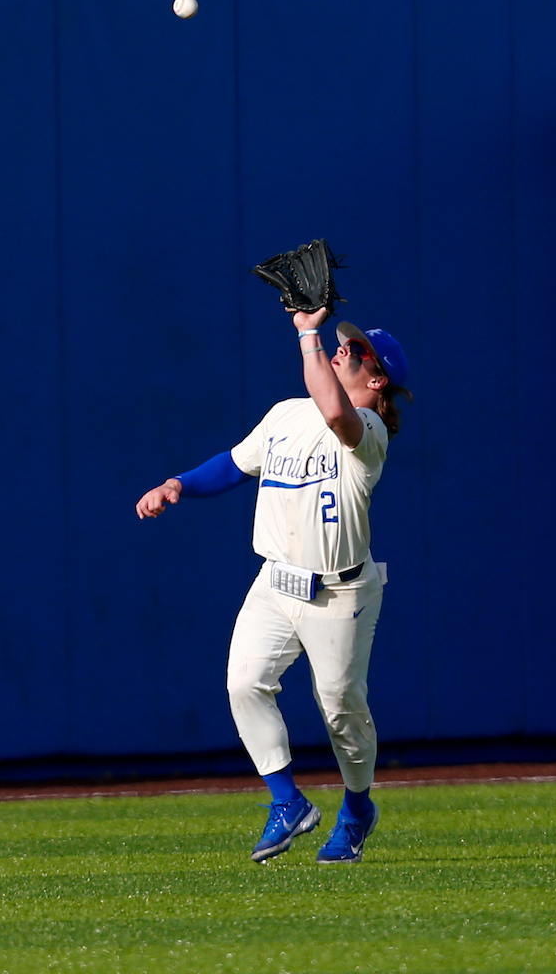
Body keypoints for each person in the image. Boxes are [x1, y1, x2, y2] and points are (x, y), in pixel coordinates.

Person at [135, 306, 411, 865]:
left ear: (377, 379)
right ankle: (288, 802)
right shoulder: (286, 414)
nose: (345, 349)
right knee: (244, 683)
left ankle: (357, 810)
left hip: (341, 594)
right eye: (342, 343)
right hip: (276, 582)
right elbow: (236, 464)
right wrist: (178, 483)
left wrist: (308, 333)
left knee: (340, 709)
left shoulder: (369, 430)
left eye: (357, 350)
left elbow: (335, 412)